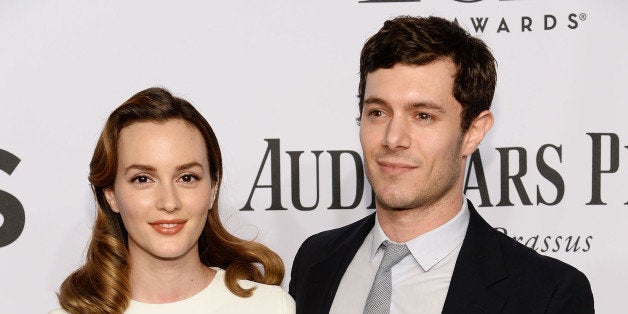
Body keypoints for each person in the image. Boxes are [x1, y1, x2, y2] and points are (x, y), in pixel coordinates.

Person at [289, 16, 594, 314]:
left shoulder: (546, 294)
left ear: (473, 132)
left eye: (423, 116)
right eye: (378, 112)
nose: (393, 138)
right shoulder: (316, 260)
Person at [52, 87, 295, 314]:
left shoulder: (270, 307)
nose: (169, 203)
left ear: (213, 189)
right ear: (111, 195)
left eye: (187, 178)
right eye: (143, 179)